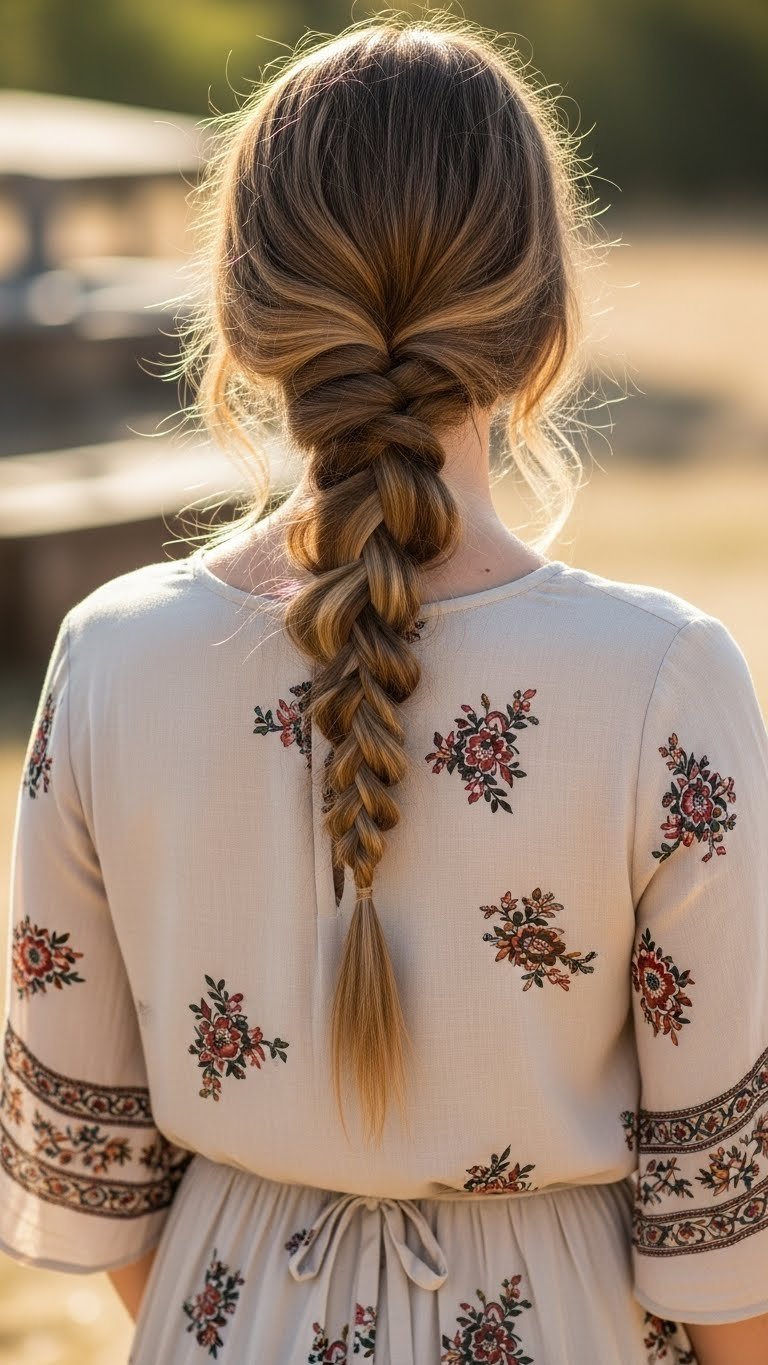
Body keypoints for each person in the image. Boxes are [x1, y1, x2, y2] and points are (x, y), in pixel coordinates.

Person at [1, 14, 767, 1364]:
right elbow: (728, 1248)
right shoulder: (663, 684)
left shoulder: (113, 659)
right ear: (545, 325)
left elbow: (91, 1181)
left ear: (239, 316)